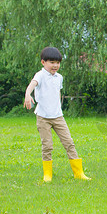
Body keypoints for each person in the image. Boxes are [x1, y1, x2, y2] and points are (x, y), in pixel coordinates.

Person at [24, 47, 90, 182]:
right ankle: (47, 174)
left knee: (69, 143)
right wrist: (27, 94)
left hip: (58, 117)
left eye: (58, 62)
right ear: (43, 62)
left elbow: (57, 93)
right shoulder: (40, 75)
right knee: (47, 145)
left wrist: (57, 107)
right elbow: (33, 84)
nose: (55, 65)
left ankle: (78, 173)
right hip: (43, 117)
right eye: (52, 62)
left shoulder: (59, 77)